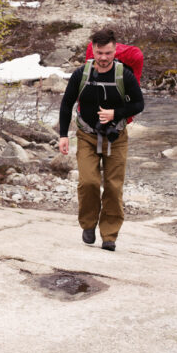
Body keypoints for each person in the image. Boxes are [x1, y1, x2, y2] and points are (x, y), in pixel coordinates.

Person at [58, 28, 144, 252]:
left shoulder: (123, 74)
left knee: (114, 187)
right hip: (86, 134)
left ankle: (109, 235)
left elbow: (138, 104)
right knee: (89, 182)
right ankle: (88, 224)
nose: (103, 58)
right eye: (99, 53)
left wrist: (115, 114)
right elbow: (67, 104)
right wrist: (63, 136)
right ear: (92, 51)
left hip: (116, 137)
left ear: (115, 50)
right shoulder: (81, 74)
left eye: (107, 53)